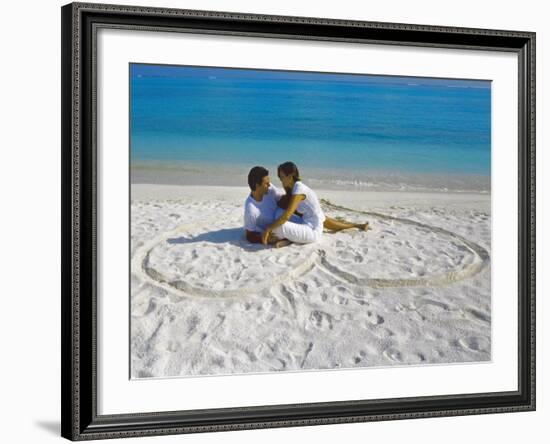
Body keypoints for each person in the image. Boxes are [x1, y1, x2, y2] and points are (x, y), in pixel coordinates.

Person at [261, 162, 369, 245]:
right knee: (278, 212)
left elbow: (287, 216)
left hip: (313, 231)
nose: (281, 180)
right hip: (307, 223)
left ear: (290, 176)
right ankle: (291, 239)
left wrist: (268, 229)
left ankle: (289, 240)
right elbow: (324, 219)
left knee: (278, 227)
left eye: (282, 177)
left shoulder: (299, 190)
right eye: (280, 177)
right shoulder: (296, 188)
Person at [243, 166, 295, 248]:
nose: (269, 185)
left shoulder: (269, 189)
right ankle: (288, 239)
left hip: (283, 218)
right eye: (266, 183)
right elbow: (249, 235)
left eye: (269, 182)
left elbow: (283, 200)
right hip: (276, 229)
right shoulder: (251, 210)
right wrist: (265, 239)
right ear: (257, 186)